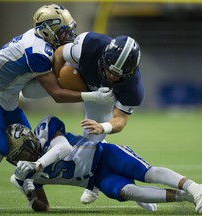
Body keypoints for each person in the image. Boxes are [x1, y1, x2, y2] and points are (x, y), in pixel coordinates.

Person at [0, 4, 115, 215]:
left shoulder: (42, 43)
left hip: (8, 99)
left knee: (34, 147)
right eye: (63, 30)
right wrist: (93, 95)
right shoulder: (37, 51)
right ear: (47, 30)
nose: (68, 34)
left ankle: (29, 187)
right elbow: (57, 95)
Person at [6, 114, 202, 214]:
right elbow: (44, 208)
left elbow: (64, 149)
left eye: (25, 150)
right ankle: (186, 197)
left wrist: (38, 165)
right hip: (97, 179)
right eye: (20, 156)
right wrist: (29, 193)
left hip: (104, 154)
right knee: (129, 192)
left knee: (146, 172)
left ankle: (196, 188)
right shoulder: (27, 173)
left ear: (30, 139)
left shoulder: (47, 128)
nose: (26, 156)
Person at [53, 32, 144, 203]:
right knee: (43, 82)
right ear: (104, 56)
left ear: (129, 73)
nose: (110, 76)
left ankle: (96, 184)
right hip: (79, 76)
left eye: (117, 75)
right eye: (109, 70)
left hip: (104, 97)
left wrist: (104, 126)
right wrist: (55, 81)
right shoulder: (89, 44)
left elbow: (120, 120)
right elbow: (58, 54)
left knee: (93, 138)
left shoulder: (134, 87)